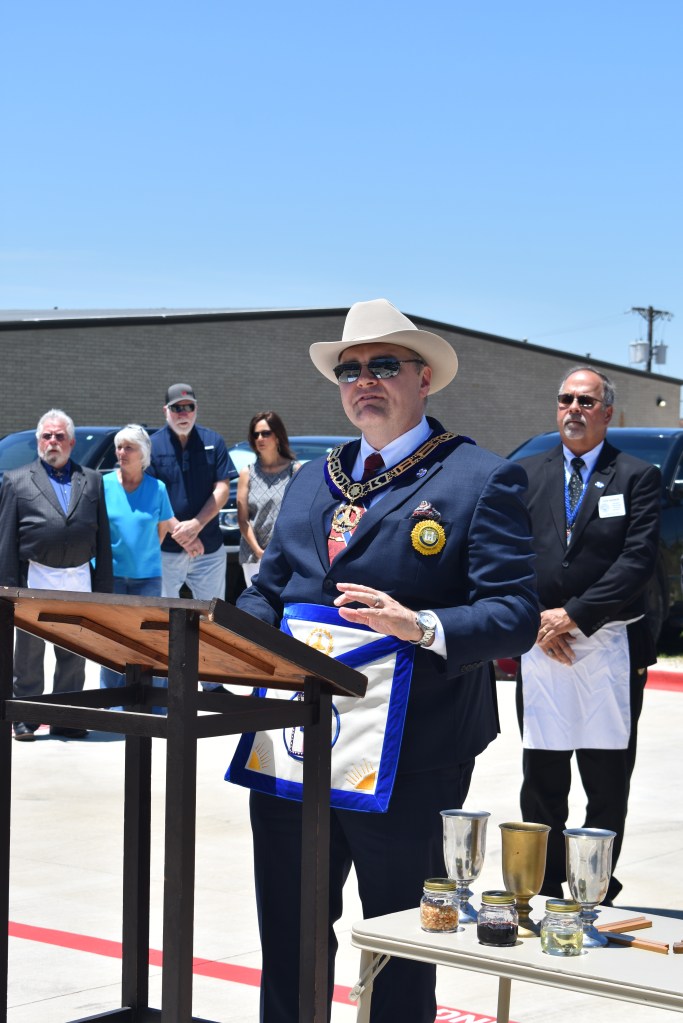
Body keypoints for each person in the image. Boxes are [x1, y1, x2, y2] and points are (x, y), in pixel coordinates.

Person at [227, 298, 539, 1022]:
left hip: (412, 754)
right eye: (350, 370)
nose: (363, 380)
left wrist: (419, 625)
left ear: (424, 378)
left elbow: (513, 615)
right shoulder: (314, 478)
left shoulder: (478, 477)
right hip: (294, 746)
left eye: (383, 365)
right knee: (289, 934)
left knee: (400, 944)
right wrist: (234, 644)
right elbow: (268, 590)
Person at [515, 367, 661, 905]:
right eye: (565, 399)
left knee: (606, 779)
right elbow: (507, 555)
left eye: (586, 401)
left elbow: (636, 562)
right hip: (540, 644)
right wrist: (537, 620)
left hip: (609, 646)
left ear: (607, 412)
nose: (573, 408)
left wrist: (572, 616)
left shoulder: (636, 476)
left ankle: (594, 888)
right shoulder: (526, 474)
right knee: (543, 776)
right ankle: (548, 886)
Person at [0, 409, 113, 740]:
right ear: (39, 441)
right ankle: (25, 718)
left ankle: (68, 718)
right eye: (47, 436)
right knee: (29, 653)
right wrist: (7, 589)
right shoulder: (16, 480)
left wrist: (104, 588)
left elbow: (102, 537)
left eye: (59, 436)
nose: (53, 441)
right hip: (35, 577)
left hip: (79, 577)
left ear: (71, 442)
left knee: (74, 652)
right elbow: (6, 540)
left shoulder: (92, 480)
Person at [99, 424, 200, 701]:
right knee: (110, 641)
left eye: (129, 448)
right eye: (119, 447)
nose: (121, 452)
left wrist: (185, 541)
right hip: (111, 577)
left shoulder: (157, 488)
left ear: (142, 454)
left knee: (148, 642)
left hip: (147, 578)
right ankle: (110, 701)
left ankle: (152, 702)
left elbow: (163, 526)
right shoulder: (103, 485)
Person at [148, 383, 231, 692]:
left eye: (189, 407)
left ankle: (212, 684)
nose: (183, 413)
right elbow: (150, 493)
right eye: (176, 408)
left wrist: (196, 525)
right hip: (166, 550)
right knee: (162, 617)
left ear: (196, 409)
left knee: (212, 616)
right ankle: (161, 685)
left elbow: (222, 489)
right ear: (165, 411)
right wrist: (181, 532)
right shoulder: (152, 445)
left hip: (208, 550)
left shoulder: (213, 442)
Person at [237, 411, 300, 586]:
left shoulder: (295, 470)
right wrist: (259, 551)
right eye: (255, 434)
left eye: (265, 433)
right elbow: (242, 519)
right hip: (254, 556)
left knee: (284, 602)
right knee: (256, 602)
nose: (260, 438)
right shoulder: (247, 473)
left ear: (278, 436)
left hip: (286, 555)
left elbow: (299, 516)